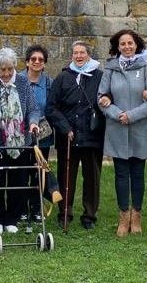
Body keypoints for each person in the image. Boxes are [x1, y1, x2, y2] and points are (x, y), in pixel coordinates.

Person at [97, 29, 147, 237]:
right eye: (123, 44)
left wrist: (130, 116)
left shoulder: (146, 69)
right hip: (117, 128)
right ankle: (123, 216)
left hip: (140, 127)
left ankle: (137, 215)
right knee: (121, 174)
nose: (127, 47)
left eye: (130, 43)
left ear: (137, 45)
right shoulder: (110, 70)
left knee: (138, 174)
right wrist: (116, 113)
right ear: (117, 47)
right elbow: (102, 98)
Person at [0, 47, 39, 234]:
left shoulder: (22, 82)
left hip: (19, 141)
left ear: (14, 67)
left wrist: (33, 123)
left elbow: (33, 109)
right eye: (2, 69)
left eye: (9, 69)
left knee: (18, 180)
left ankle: (12, 218)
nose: (6, 74)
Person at [45, 40, 104, 230]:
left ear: (89, 54)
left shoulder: (100, 76)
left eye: (82, 53)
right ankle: (65, 212)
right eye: (75, 53)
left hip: (92, 136)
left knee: (92, 178)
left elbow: (106, 99)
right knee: (66, 177)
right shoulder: (63, 77)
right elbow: (51, 107)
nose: (78, 56)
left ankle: (89, 215)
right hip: (67, 137)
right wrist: (65, 128)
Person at [21, 44, 53, 221]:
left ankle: (36, 207)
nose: (37, 62)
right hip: (20, 134)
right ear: (27, 62)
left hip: (42, 135)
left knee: (39, 172)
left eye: (40, 59)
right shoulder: (17, 80)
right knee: (22, 171)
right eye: (33, 59)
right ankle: (21, 208)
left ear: (45, 63)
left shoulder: (49, 83)